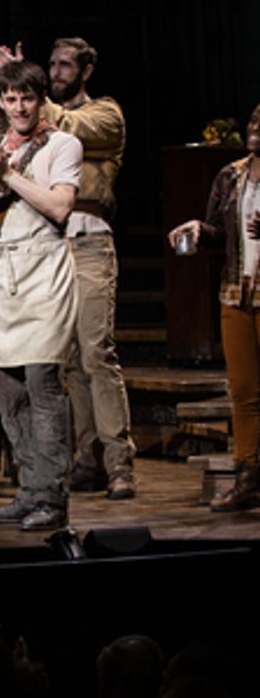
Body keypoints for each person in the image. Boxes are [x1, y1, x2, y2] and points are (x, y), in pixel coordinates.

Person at [0, 36, 134, 499]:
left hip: (87, 241)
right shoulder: (35, 112)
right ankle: (85, 458)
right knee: (64, 360)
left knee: (95, 353)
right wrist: (13, 83)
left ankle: (119, 462)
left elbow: (67, 126)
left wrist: (28, 84)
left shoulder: (105, 114)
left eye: (65, 65)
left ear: (86, 70)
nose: (55, 73)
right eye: (49, 65)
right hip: (43, 247)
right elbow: (0, 140)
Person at [0, 60, 82, 530]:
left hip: (46, 267)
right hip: (6, 270)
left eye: (27, 98)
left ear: (40, 98)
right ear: (0, 103)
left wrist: (8, 176)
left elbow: (60, 206)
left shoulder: (65, 144)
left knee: (42, 383)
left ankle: (53, 495)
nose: (19, 107)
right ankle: (30, 488)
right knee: (7, 388)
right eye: (10, 99)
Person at [168, 103, 260, 512]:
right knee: (243, 391)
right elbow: (220, 233)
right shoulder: (231, 175)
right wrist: (197, 231)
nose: (257, 129)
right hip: (236, 293)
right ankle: (248, 474)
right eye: (255, 120)